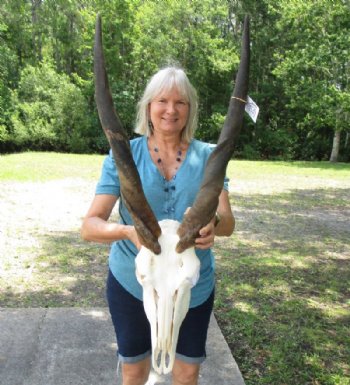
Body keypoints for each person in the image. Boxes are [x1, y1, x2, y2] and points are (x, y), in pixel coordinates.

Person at [81, 66, 235, 385]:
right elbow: (90, 226)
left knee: (186, 372)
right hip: (133, 283)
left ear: (190, 109)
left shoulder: (209, 156)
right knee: (135, 371)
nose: (170, 109)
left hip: (191, 285)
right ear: (148, 106)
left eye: (180, 102)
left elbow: (228, 222)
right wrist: (127, 231)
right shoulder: (123, 156)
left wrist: (212, 224)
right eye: (162, 100)